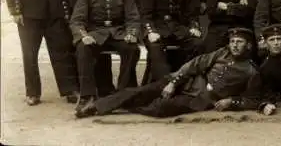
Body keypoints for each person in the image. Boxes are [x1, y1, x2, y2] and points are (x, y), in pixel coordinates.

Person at [74, 28, 258, 119]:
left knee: (160, 108)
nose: (234, 45)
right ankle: (96, 107)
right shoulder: (221, 53)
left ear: (248, 45)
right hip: (186, 82)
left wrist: (231, 101)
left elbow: (252, 99)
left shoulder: (251, 70)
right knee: (141, 91)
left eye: (239, 42)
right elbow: (194, 65)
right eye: (233, 41)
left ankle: (125, 106)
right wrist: (174, 82)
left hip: (202, 99)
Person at [70, 0, 141, 114]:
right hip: (96, 34)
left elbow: (133, 17)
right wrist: (84, 35)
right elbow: (77, 20)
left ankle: (124, 93)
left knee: (132, 49)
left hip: (118, 33)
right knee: (82, 49)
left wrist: (131, 33)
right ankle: (87, 96)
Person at [141, 0, 202, 81]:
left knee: (196, 44)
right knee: (156, 48)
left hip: (179, 28)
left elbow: (192, 13)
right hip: (158, 29)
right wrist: (150, 31)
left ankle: (185, 81)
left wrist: (193, 26)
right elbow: (146, 15)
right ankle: (162, 84)